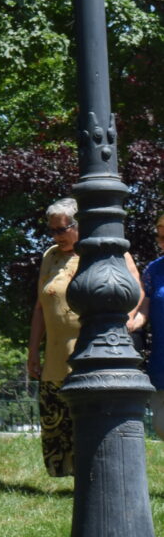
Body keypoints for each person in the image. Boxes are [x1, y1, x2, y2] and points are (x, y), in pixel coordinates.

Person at [27, 197, 143, 475]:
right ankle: (68, 475)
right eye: (52, 230)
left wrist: (125, 322)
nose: (56, 236)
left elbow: (135, 290)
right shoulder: (51, 256)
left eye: (61, 229)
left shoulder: (108, 252)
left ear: (80, 225)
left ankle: (94, 475)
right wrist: (32, 351)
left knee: (88, 418)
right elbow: (41, 307)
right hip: (55, 354)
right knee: (57, 419)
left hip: (93, 351)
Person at [133, 212, 164, 439]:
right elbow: (144, 307)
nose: (163, 244)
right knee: (162, 425)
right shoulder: (154, 270)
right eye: (161, 238)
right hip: (161, 363)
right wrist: (131, 323)